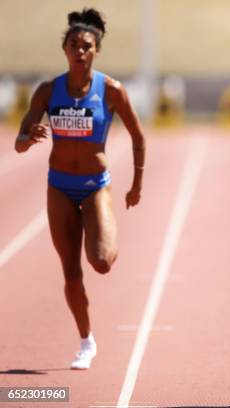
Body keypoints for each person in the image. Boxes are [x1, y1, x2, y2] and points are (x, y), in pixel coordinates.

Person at [14, 8, 146, 369]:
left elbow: (138, 137)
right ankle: (86, 341)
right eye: (73, 45)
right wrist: (30, 136)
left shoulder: (112, 90)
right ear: (65, 49)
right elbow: (19, 142)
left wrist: (136, 184)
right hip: (58, 185)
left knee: (101, 262)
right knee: (71, 271)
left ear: (96, 50)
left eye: (86, 46)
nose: (80, 51)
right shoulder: (47, 90)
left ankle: (103, 225)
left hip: (94, 186)